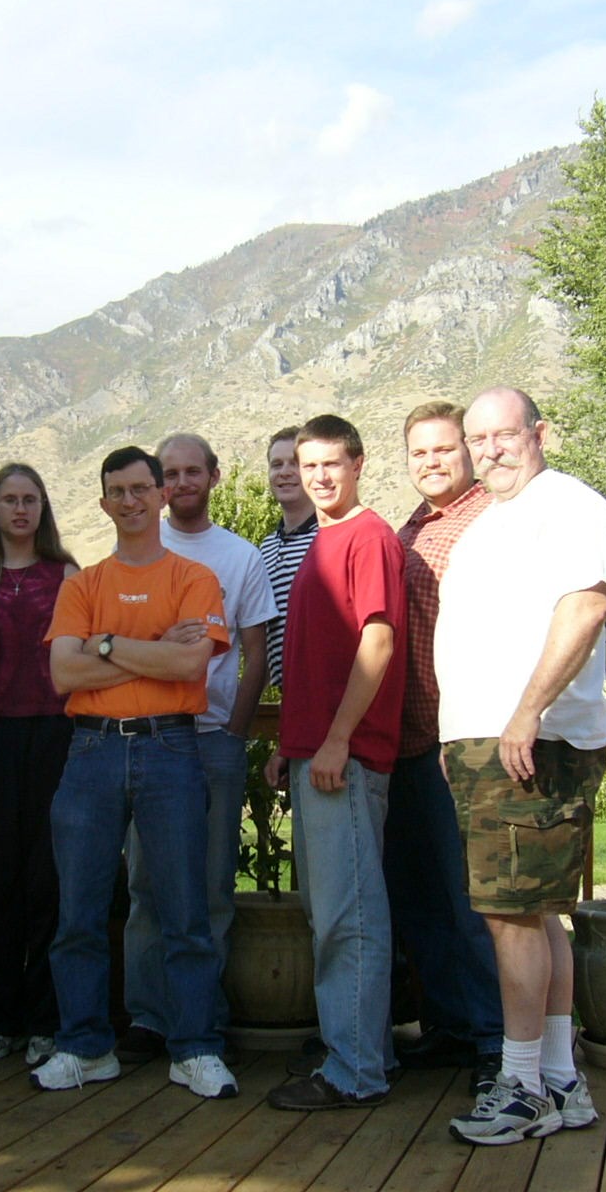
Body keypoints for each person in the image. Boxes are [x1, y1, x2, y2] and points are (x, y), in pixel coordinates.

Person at [435, 386, 606, 1146]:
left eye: (504, 435)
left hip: (528, 742)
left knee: (510, 916)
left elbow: (585, 608)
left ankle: (519, 1086)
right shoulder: (489, 520)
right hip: (488, 742)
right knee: (535, 912)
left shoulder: (570, 506)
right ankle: (561, 1080)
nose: (490, 451)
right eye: (478, 440)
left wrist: (525, 713)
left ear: (539, 433)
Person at [32, 445, 238, 1101]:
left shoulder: (194, 578)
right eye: (116, 491)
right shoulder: (82, 584)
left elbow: (190, 667)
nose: (130, 501)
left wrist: (108, 646)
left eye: (140, 488)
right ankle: (86, 1046)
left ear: (159, 495)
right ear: (103, 502)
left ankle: (195, 1048)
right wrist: (147, 651)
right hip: (90, 751)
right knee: (80, 913)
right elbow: (65, 672)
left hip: (170, 748)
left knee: (184, 908)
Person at [118, 433, 276, 1063]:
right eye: (170, 474)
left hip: (212, 740)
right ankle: (149, 1020)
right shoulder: (133, 554)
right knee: (146, 886)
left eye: (192, 472)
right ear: (157, 487)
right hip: (148, 739)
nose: (181, 483)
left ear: (213, 477)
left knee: (210, 889)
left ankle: (199, 1023)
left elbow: (258, 656)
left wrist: (235, 733)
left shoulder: (240, 558)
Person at [264, 414, 407, 1111]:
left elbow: (377, 643)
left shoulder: (368, 537)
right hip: (314, 753)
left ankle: (355, 1073)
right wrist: (290, 745)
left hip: (343, 760)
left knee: (349, 917)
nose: (318, 476)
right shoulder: (321, 539)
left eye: (331, 463)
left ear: (357, 463)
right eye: (305, 464)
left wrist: (336, 739)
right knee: (332, 913)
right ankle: (359, 1051)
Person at [388, 401, 502, 1090]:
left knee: (470, 904)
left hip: (455, 739)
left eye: (442, 449)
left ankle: (497, 1039)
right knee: (422, 900)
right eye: (418, 452)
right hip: (401, 741)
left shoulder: (490, 521)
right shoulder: (411, 527)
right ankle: (453, 1027)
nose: (430, 462)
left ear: (466, 451)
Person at [0, 463, 79, 1067]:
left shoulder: (68, 575)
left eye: (31, 498)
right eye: (9, 499)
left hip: (56, 736)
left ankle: (44, 1021)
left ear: (43, 508)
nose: (21, 509)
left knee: (46, 880)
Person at [257, 426, 317, 691]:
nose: (284, 472)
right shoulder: (264, 550)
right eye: (276, 464)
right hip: (288, 697)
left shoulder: (330, 538)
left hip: (328, 693)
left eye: (295, 463)